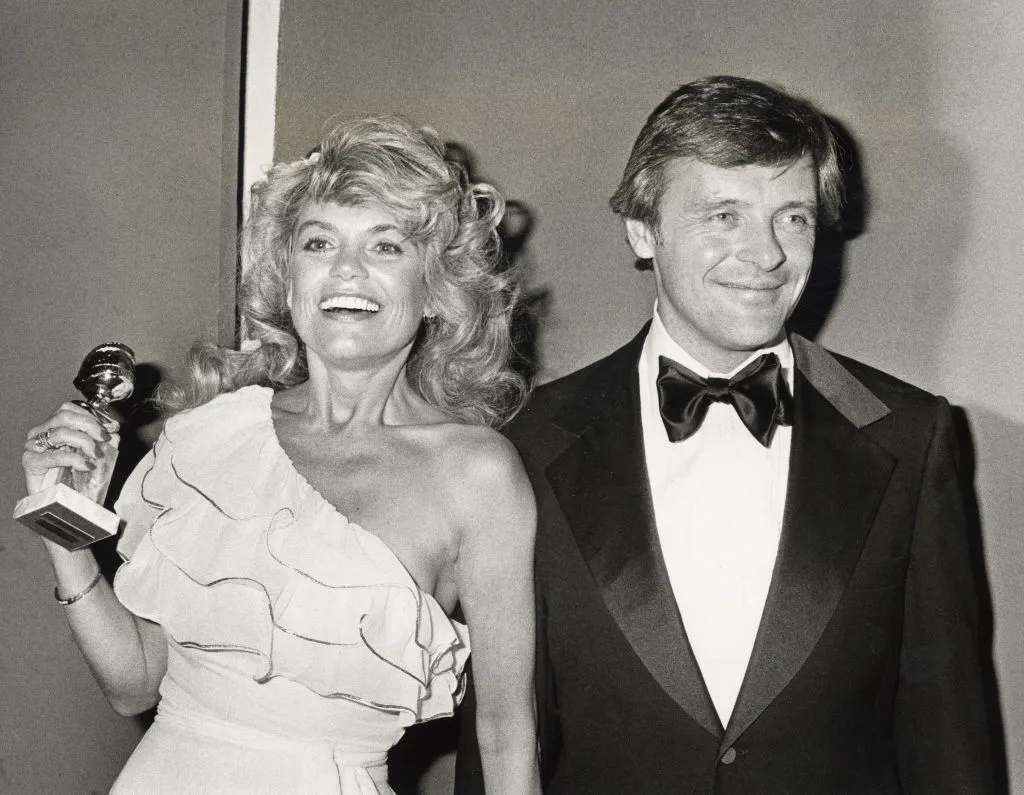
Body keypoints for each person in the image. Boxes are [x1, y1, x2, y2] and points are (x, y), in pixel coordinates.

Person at [456, 76, 996, 793]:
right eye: (723, 215)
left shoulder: (912, 437)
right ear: (641, 230)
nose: (767, 254)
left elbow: (950, 743)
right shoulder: (523, 447)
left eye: (793, 218)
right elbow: (495, 739)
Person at [22, 117, 540, 794]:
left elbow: (506, 737)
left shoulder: (477, 475)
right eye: (319, 241)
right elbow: (134, 684)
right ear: (287, 276)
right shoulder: (207, 434)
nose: (346, 271)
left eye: (386, 245)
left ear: (434, 287)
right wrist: (66, 528)